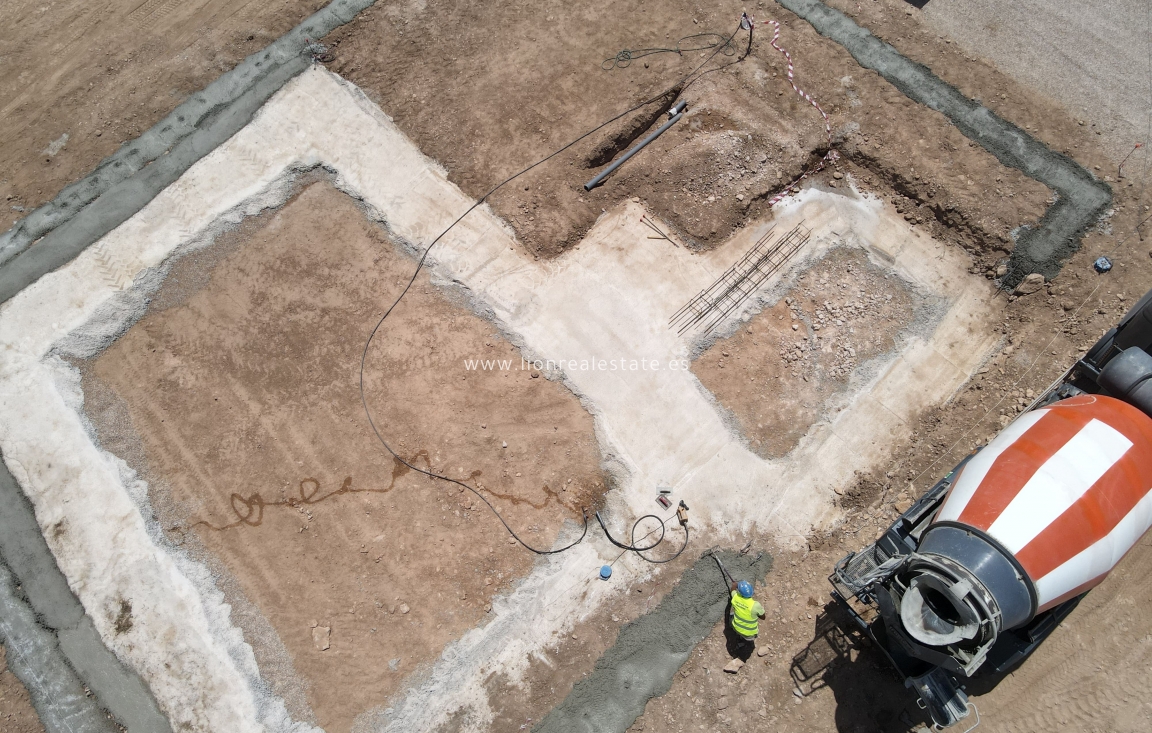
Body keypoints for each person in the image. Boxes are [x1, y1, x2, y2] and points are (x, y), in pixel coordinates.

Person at [725, 579, 766, 664]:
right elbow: (763, 617)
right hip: (749, 635)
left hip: (736, 628)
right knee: (748, 639)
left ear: (739, 592)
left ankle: (739, 638)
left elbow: (732, 590)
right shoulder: (755, 605)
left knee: (732, 615)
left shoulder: (736, 598)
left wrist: (735, 585)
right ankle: (745, 649)